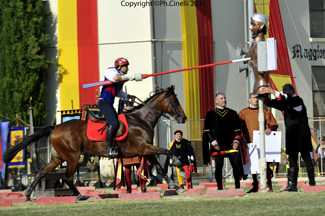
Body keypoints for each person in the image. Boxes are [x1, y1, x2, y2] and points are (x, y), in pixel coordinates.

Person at [261, 84, 316, 191]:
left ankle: (312, 183)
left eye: (286, 90)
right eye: (283, 90)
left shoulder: (297, 100)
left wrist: (273, 92)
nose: (284, 91)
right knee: (292, 158)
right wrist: (264, 98)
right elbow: (275, 104)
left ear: (292, 91)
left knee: (306, 156)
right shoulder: (287, 101)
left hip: (302, 134)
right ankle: (292, 185)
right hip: (291, 134)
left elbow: (286, 99)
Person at [202, 93, 248, 190]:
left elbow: (238, 129)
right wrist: (213, 142)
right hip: (218, 145)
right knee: (218, 166)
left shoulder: (233, 113)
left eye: (225, 98)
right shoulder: (210, 114)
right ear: (216, 101)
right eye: (221, 98)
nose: (224, 100)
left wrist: (236, 141)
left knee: (236, 165)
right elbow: (207, 131)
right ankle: (219, 188)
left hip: (231, 144)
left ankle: (237, 187)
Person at [239, 93, 278, 192]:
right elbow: (239, 127)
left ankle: (268, 184)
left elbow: (273, 123)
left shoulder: (265, 111)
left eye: (257, 98)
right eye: (254, 98)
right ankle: (255, 185)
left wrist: (269, 128)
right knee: (253, 165)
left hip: (263, 142)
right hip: (249, 142)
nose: (256, 100)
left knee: (265, 163)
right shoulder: (243, 113)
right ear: (250, 99)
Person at [98, 57, 135, 157]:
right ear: (119, 66)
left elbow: (118, 92)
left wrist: (129, 96)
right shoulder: (111, 71)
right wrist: (129, 77)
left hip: (109, 103)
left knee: (119, 123)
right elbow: (116, 78)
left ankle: (114, 145)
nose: (127, 69)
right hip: (104, 102)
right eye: (126, 66)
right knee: (114, 123)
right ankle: (108, 149)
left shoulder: (122, 77)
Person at [244, 13, 270, 95]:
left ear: (261, 25)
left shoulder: (261, 45)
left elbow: (262, 70)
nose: (250, 28)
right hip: (257, 84)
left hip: (261, 85)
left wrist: (251, 61)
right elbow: (247, 56)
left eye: (253, 24)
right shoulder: (255, 44)